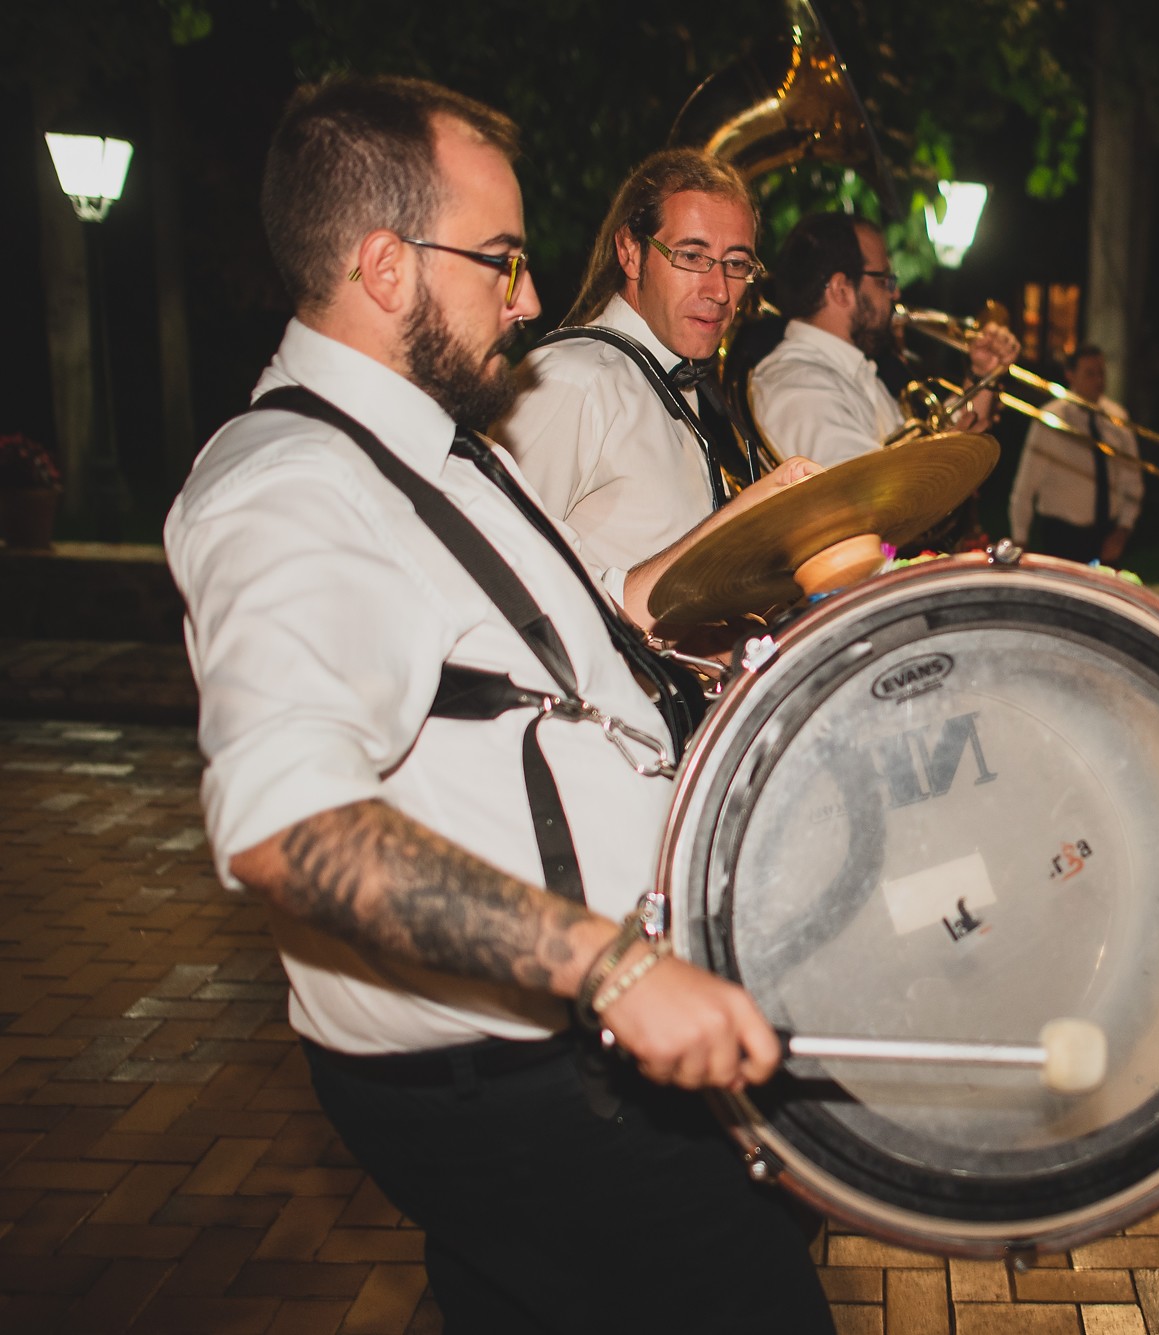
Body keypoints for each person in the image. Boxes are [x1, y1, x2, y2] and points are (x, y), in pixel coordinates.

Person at [163, 75, 832, 1331]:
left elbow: (579, 632)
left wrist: (760, 536)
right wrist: (615, 970)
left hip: (546, 1051)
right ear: (385, 266)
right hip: (513, 1074)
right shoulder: (289, 487)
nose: (527, 299)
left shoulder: (432, 446)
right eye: (500, 259)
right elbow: (286, 824)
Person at [494, 148, 764, 575]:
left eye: (736, 263)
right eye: (691, 256)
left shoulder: (694, 384)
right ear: (631, 252)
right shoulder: (571, 380)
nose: (719, 291)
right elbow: (496, 568)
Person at [751, 210, 1017, 467]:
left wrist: (983, 374)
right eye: (885, 280)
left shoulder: (849, 372)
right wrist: (945, 462)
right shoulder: (799, 386)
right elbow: (870, 489)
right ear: (841, 290)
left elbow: (924, 446)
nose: (896, 293)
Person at [1008, 345, 1145, 564]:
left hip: (1106, 534)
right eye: (1090, 373)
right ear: (1070, 375)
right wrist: (1020, 538)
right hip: (1062, 535)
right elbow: (1025, 485)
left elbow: (1132, 481)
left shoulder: (1117, 417)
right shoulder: (1050, 419)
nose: (1098, 380)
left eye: (1101, 373)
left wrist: (1123, 530)